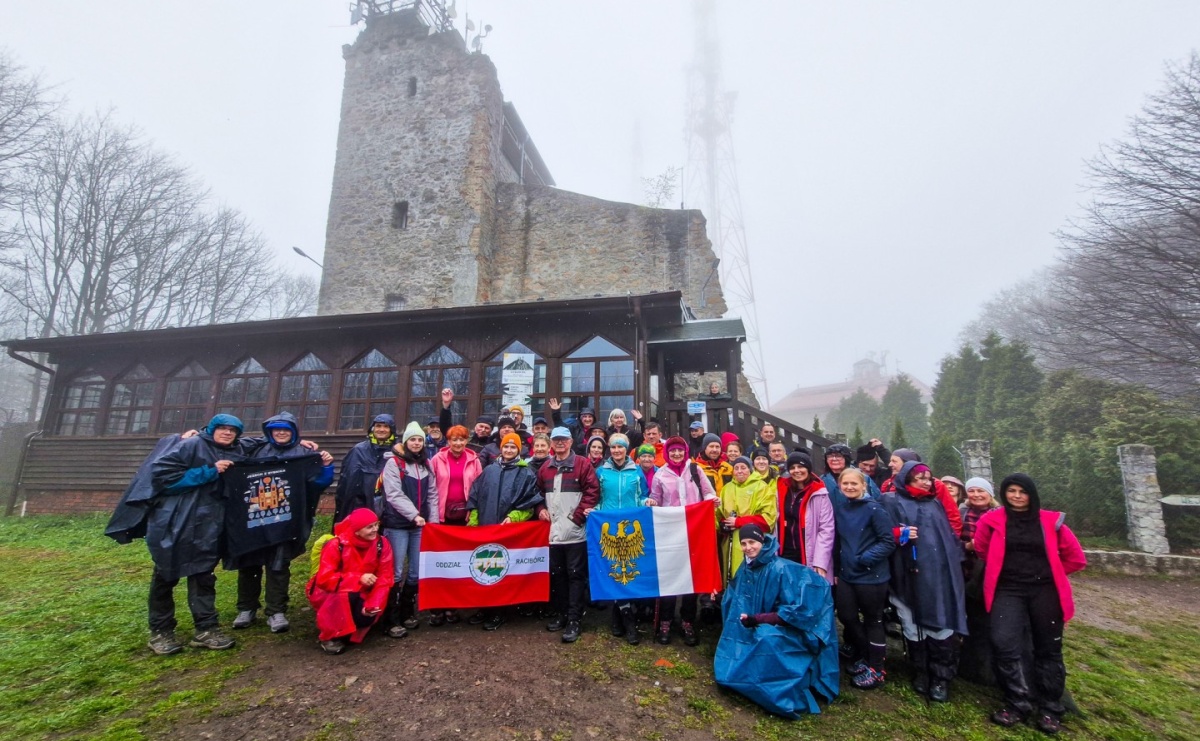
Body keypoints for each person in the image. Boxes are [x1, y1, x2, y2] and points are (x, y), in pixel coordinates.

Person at [975, 474, 1086, 735]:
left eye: (1022, 491)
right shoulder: (991, 521)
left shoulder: (1051, 521)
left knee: (1049, 649)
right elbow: (982, 549)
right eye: (1010, 490)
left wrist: (1050, 573)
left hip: (1044, 591)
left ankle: (1050, 707)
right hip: (1008, 589)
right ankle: (1017, 701)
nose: (1016, 496)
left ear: (1031, 494)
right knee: (1004, 643)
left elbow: (1075, 558)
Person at [714, 524, 840, 718]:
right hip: (756, 620)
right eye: (744, 543)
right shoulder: (747, 567)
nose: (748, 547)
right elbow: (737, 593)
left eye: (753, 542)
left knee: (766, 639)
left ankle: (776, 693)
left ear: (762, 542)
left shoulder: (781, 569)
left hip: (787, 627)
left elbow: (793, 612)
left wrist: (757, 619)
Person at [145, 414, 245, 655]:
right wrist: (209, 471)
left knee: (203, 575)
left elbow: (266, 442)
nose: (227, 433)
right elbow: (161, 477)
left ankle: (206, 628)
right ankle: (161, 631)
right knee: (165, 576)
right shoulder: (191, 445)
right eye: (222, 428)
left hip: (209, 525)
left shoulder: (237, 450)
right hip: (175, 521)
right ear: (211, 429)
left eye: (233, 430)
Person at [230, 412, 336, 634]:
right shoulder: (255, 450)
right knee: (249, 564)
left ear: (294, 432)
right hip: (254, 519)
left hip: (285, 520)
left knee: (278, 565)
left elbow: (318, 483)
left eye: (286, 430)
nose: (280, 433)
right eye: (276, 429)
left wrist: (325, 466)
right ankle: (246, 608)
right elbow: (229, 443)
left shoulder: (304, 453)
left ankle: (276, 611)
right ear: (268, 432)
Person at [879, 460, 967, 702]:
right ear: (907, 478)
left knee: (939, 622)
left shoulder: (935, 505)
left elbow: (947, 540)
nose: (927, 482)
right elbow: (878, 531)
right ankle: (920, 670)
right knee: (911, 622)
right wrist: (898, 535)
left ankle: (940, 676)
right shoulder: (889, 501)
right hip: (903, 572)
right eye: (921, 478)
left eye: (929, 478)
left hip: (936, 575)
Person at [465, 431, 544, 631]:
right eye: (506, 447)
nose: (509, 450)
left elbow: (529, 503)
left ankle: (499, 611)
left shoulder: (526, 473)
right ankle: (484, 607)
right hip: (486, 527)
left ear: (519, 450)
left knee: (501, 570)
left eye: (513, 447)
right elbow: (475, 497)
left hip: (508, 531)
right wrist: (474, 523)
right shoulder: (489, 470)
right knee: (483, 568)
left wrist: (514, 517)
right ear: (501, 448)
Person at [648, 435, 717, 645]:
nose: (676, 454)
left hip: (694, 531)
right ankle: (666, 621)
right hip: (670, 533)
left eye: (679, 450)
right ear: (667, 453)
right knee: (670, 577)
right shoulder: (661, 474)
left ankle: (688, 620)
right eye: (672, 451)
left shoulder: (695, 470)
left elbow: (708, 493)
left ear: (684, 451)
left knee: (691, 577)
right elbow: (656, 499)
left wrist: (711, 501)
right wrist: (651, 501)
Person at [832, 467, 896, 689]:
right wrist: (838, 568)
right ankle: (867, 656)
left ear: (864, 486)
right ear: (840, 487)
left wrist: (865, 558)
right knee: (847, 617)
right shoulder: (842, 508)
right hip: (848, 575)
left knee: (873, 620)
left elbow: (887, 541)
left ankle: (877, 668)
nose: (849, 487)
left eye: (854, 484)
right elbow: (839, 541)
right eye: (845, 484)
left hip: (872, 576)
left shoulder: (875, 509)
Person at [536, 426, 600, 643]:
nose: (560, 443)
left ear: (571, 442)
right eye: (556, 440)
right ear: (551, 444)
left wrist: (577, 518)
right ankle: (562, 614)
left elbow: (593, 492)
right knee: (558, 576)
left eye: (564, 440)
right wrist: (539, 510)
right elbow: (537, 494)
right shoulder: (545, 467)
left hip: (575, 533)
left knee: (575, 576)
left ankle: (574, 619)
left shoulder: (582, 464)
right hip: (553, 533)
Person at [379, 421, 440, 638]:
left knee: (415, 572)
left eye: (419, 440)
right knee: (395, 572)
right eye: (412, 439)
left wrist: (433, 521)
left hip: (420, 526)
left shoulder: (426, 464)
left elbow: (432, 493)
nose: (416, 443)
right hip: (397, 525)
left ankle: (407, 612)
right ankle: (391, 618)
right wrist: (414, 515)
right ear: (405, 442)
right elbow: (394, 494)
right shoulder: (394, 464)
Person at [307, 507, 394, 654]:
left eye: (376, 524)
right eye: (369, 527)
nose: (375, 530)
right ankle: (330, 636)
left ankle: (352, 625)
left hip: (363, 592)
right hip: (333, 593)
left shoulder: (382, 544)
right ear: (357, 530)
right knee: (343, 595)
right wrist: (358, 578)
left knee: (364, 617)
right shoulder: (336, 545)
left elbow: (385, 577)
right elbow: (324, 579)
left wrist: (373, 605)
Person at [592, 433, 652, 644]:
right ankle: (627, 622)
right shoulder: (601, 471)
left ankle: (620, 618)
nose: (617, 450)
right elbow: (597, 497)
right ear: (609, 448)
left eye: (621, 447)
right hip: (608, 527)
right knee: (614, 571)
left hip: (631, 527)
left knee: (629, 570)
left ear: (627, 449)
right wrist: (595, 510)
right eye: (614, 447)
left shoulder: (636, 471)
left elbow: (643, 494)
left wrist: (646, 502)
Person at [427, 424, 483, 626]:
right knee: (440, 564)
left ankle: (452, 606)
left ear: (467, 440)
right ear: (448, 441)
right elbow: (430, 489)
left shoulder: (474, 460)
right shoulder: (436, 459)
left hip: (463, 517)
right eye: (454, 440)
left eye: (461, 439)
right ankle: (437, 607)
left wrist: (473, 511)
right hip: (442, 518)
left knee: (458, 564)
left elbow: (478, 488)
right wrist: (432, 515)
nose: (458, 443)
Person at [958, 476, 1000, 686]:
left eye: (980, 491)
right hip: (965, 568)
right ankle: (969, 662)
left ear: (990, 494)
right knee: (969, 616)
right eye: (971, 491)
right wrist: (967, 547)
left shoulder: (998, 515)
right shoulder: (963, 512)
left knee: (985, 619)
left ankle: (987, 666)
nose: (975, 495)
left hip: (987, 572)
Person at [776, 452, 835, 584]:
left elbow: (826, 529)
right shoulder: (782, 489)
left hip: (809, 554)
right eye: (792, 467)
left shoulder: (819, 493)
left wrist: (820, 561)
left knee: (808, 594)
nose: (796, 471)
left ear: (808, 468)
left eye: (800, 466)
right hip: (785, 552)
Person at [718, 456, 777, 582]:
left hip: (752, 542)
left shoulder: (762, 487)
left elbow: (768, 518)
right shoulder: (726, 488)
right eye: (736, 468)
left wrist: (739, 522)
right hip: (729, 543)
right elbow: (719, 514)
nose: (739, 471)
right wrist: (723, 524)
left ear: (750, 470)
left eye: (743, 468)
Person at [333, 413, 396, 523]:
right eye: (378, 426)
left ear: (391, 430)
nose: (382, 429)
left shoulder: (398, 451)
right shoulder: (358, 450)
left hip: (390, 507)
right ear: (373, 428)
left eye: (386, 426)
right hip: (360, 505)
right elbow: (346, 483)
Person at [694, 433, 732, 498]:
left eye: (717, 447)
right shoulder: (696, 468)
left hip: (726, 507)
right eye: (711, 446)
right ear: (704, 448)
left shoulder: (728, 468)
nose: (714, 450)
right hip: (707, 506)